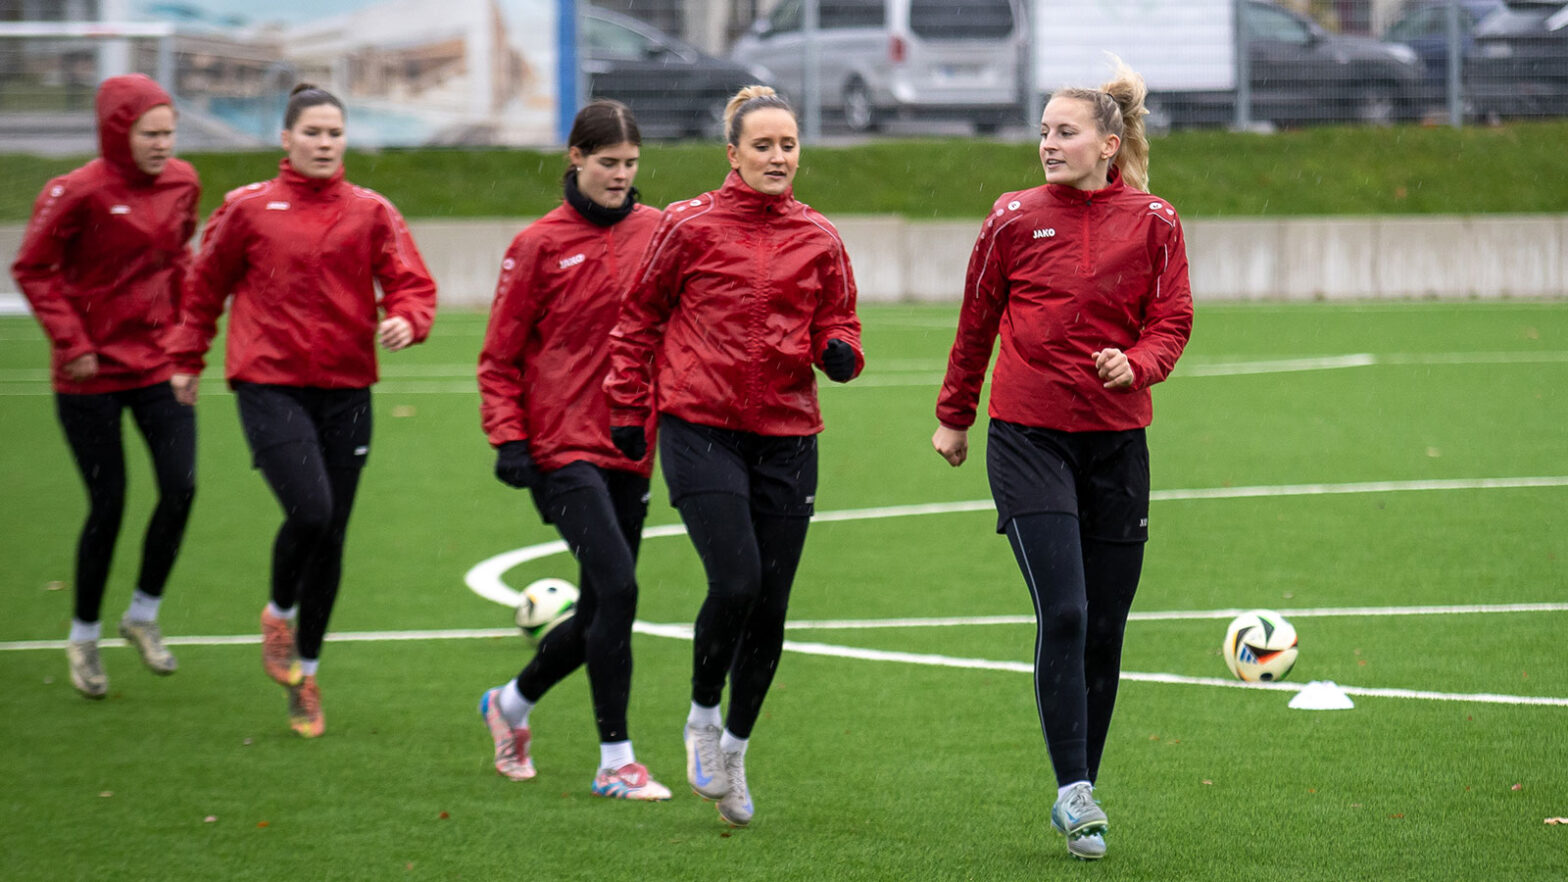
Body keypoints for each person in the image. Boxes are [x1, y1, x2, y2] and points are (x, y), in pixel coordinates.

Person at [931, 61, 1193, 861]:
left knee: (1106, 629)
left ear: (1108, 146)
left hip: (1117, 445)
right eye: (1044, 130)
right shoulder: (1013, 217)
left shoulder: (1155, 221)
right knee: (1069, 613)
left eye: (1065, 132)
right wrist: (954, 416)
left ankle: (1084, 784)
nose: (1047, 142)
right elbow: (977, 320)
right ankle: (1074, 790)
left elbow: (1173, 320)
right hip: (1028, 439)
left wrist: (1135, 365)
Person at [605, 85, 864, 827]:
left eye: (788, 145)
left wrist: (838, 351)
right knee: (738, 580)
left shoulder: (820, 236)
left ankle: (736, 749)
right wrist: (626, 408)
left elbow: (840, 319)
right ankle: (700, 718)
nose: (778, 157)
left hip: (789, 435)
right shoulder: (687, 225)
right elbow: (639, 319)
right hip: (701, 427)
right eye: (763, 146)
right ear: (733, 153)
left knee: (772, 606)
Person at [168, 84, 437, 738]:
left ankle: (305, 674)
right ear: (286, 139)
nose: (324, 143)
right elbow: (204, 287)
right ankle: (277, 612)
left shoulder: (370, 211)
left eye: (334, 133)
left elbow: (411, 283)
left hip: (347, 388)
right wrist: (186, 357)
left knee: (333, 534)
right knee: (311, 511)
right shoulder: (247, 208)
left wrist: (407, 318)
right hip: (270, 383)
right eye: (312, 132)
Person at [475, 99, 671, 801]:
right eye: (608, 163)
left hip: (632, 443)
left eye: (630, 164)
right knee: (619, 589)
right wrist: (508, 438)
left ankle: (510, 705)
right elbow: (498, 358)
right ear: (576, 158)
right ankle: (616, 761)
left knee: (597, 611)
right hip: (559, 446)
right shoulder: (538, 245)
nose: (620, 175)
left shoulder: (661, 232)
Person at [12, 74, 200, 699]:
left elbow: (180, 259)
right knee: (109, 503)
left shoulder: (183, 182)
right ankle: (84, 636)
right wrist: (73, 344)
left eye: (169, 133)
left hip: (158, 365)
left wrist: (186, 342)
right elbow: (33, 268)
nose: (162, 145)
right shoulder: (74, 191)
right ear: (118, 132)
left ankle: (143, 615)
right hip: (88, 375)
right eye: (150, 134)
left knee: (181, 487)